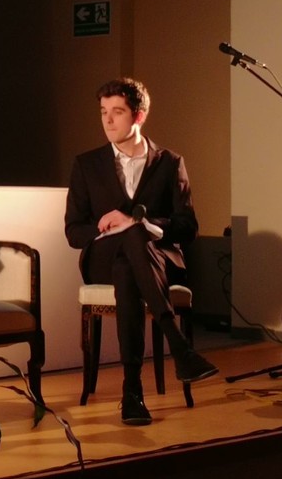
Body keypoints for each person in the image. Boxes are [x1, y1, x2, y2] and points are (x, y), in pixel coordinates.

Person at [65, 77, 217, 426]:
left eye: (117, 112)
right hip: (102, 258)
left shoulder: (170, 162)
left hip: (157, 258)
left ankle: (132, 391)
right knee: (125, 249)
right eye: (103, 112)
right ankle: (178, 346)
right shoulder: (87, 164)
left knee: (129, 260)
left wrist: (140, 222)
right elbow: (73, 231)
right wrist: (107, 226)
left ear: (139, 116)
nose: (107, 120)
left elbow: (188, 227)